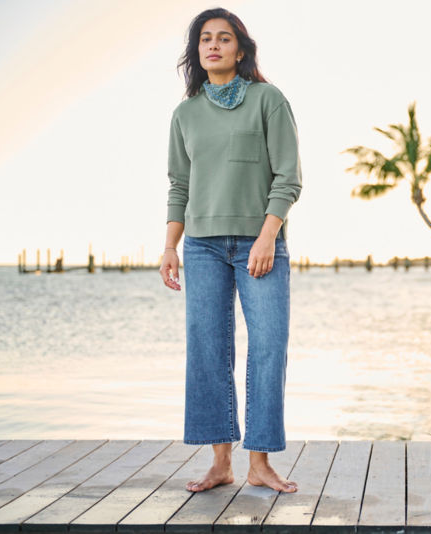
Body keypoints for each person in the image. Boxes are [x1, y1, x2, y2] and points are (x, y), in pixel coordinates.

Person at [159, 7, 302, 494]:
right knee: (208, 350)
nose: (213, 45)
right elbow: (180, 184)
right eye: (205, 38)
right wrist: (169, 247)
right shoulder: (185, 113)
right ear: (197, 52)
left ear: (241, 49)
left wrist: (268, 235)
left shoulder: (268, 99)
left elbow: (288, 176)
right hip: (200, 247)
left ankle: (259, 462)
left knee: (267, 348)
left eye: (224, 38)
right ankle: (221, 462)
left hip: (259, 245)